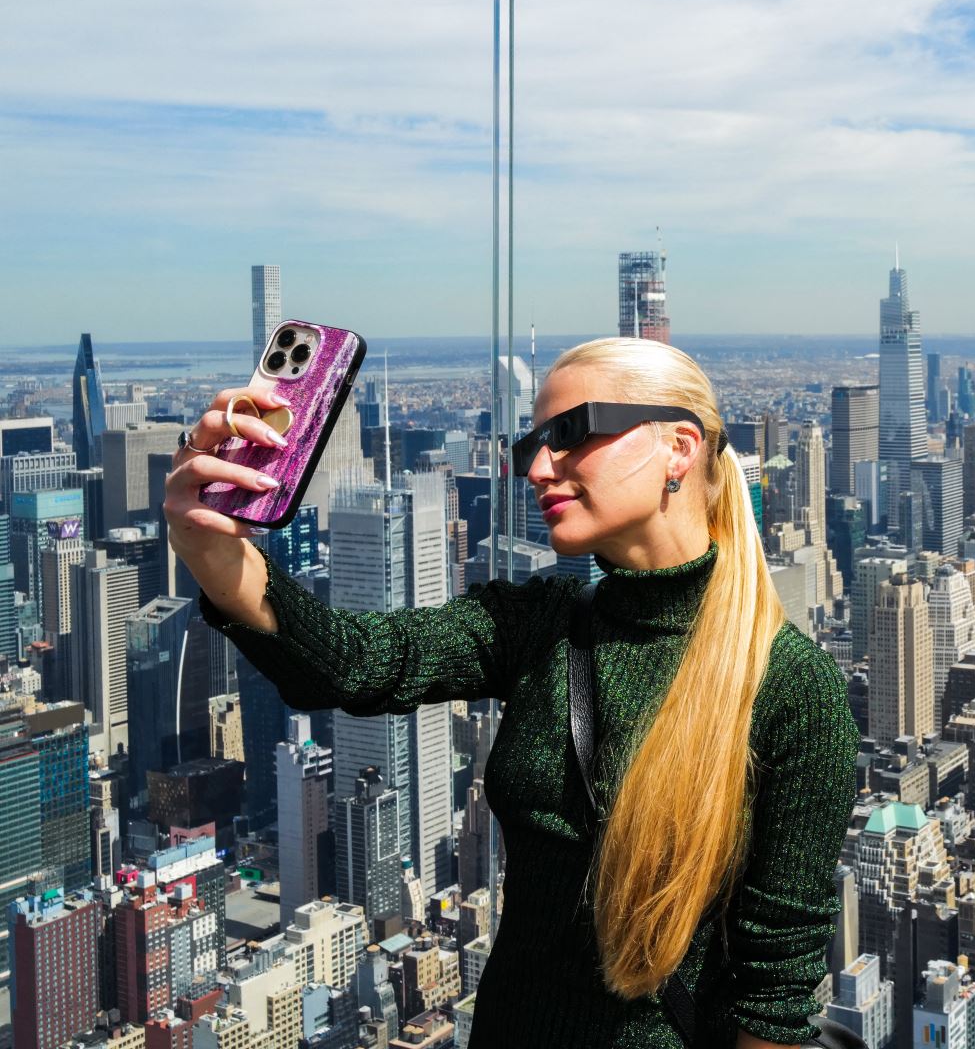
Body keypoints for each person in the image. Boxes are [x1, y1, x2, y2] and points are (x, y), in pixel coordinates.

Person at [166, 335, 860, 1047]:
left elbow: (773, 994)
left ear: (678, 449)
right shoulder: (536, 624)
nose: (536, 466)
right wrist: (209, 547)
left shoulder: (790, 690)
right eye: (531, 442)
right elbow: (352, 664)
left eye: (567, 434)